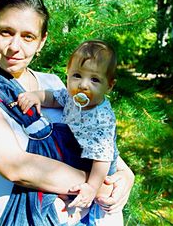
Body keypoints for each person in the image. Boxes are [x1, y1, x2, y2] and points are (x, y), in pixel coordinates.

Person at [0, 0, 134, 226]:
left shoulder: (53, 85)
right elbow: (17, 167)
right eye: (5, 32)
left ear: (42, 41)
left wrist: (124, 174)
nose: (14, 47)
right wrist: (97, 185)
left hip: (82, 222)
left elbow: (94, 135)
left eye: (28, 36)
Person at [18, 40, 119, 215]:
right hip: (76, 150)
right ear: (68, 74)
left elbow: (102, 159)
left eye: (94, 79)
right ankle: (67, 199)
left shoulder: (101, 117)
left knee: (92, 195)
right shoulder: (73, 98)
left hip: (98, 164)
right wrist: (37, 96)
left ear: (109, 85)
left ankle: (86, 208)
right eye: (77, 75)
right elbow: (55, 98)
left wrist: (92, 186)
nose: (83, 84)